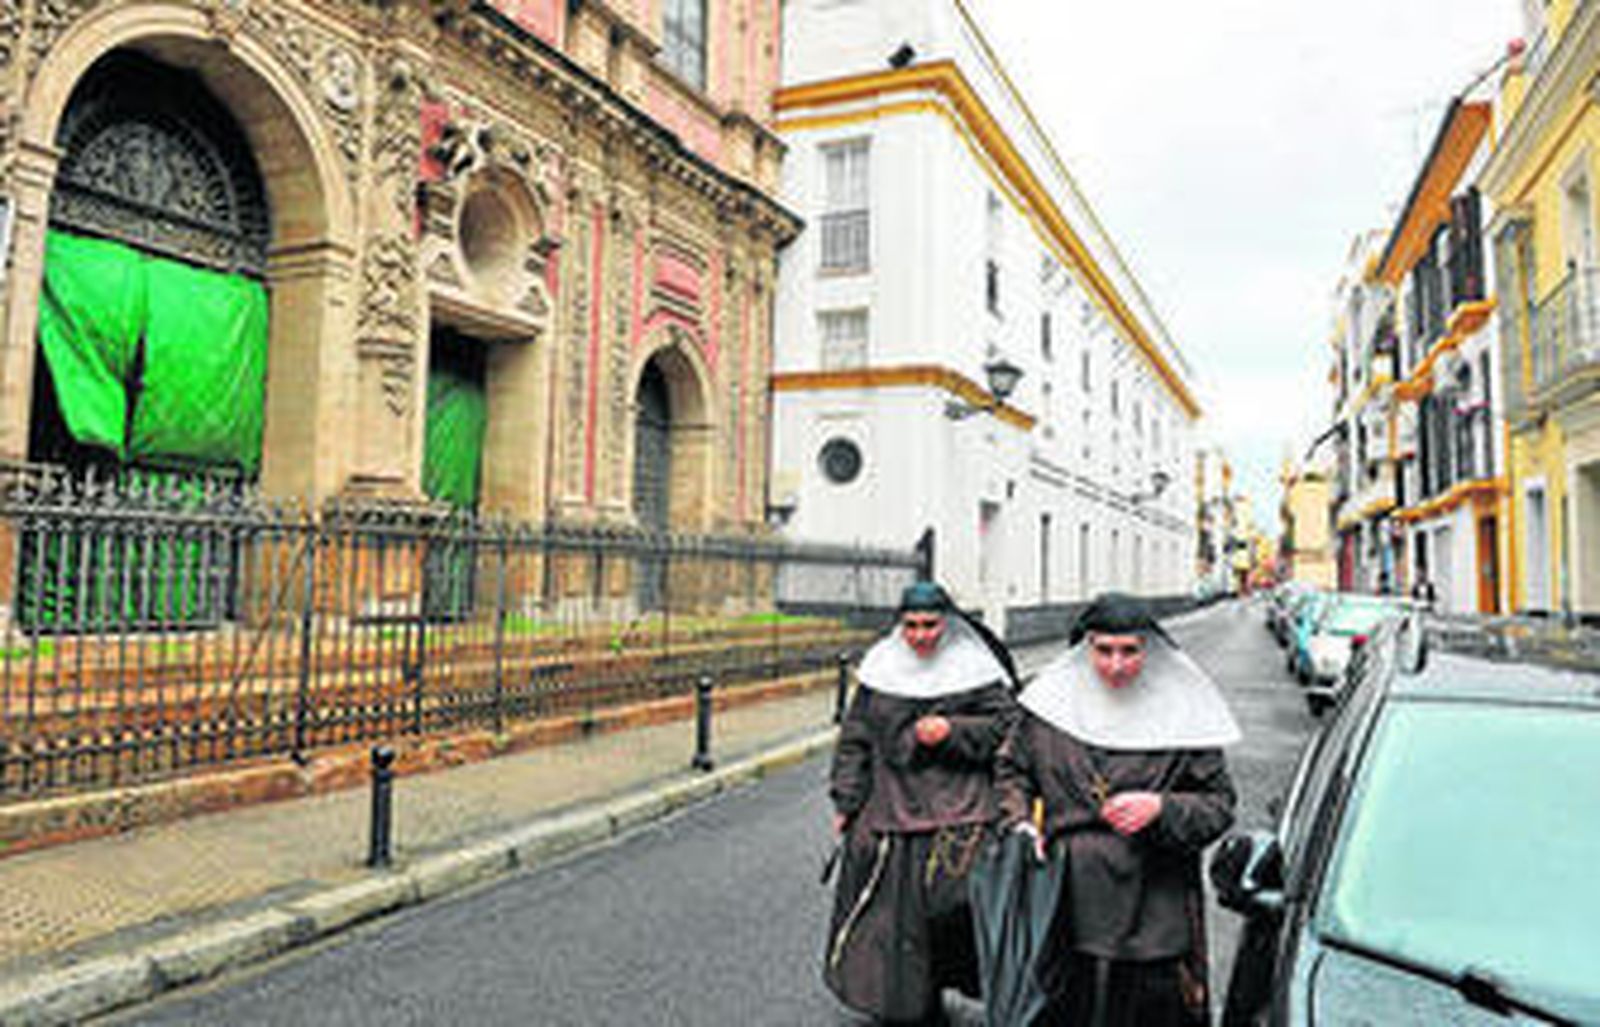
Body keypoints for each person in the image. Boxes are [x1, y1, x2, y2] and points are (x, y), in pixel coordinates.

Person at [995, 593, 1239, 1026]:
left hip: (1153, 911)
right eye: (1103, 650)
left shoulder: (1184, 714)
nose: (1116, 665)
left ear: (1151, 649)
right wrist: (1019, 824)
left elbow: (1219, 806)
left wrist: (1162, 807)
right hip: (1064, 901)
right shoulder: (1047, 707)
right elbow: (1012, 771)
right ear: (1084, 648)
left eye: (1130, 651)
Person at [824, 581, 1019, 1025]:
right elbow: (856, 739)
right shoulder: (881, 669)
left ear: (947, 624)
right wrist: (846, 800)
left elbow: (1009, 730)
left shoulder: (977, 670)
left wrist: (953, 730)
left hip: (962, 810)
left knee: (952, 909)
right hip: (891, 807)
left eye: (930, 625)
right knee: (895, 920)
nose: (919, 635)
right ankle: (913, 1001)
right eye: (910, 625)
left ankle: (959, 981)